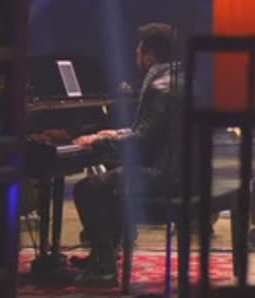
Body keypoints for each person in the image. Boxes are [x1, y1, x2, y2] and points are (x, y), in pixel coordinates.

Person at [69, 22, 182, 287]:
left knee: (87, 188)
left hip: (164, 176)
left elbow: (142, 141)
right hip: (179, 170)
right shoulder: (178, 79)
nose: (136, 57)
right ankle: (103, 254)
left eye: (138, 52)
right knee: (110, 177)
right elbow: (149, 131)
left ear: (149, 56)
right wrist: (113, 134)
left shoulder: (159, 86)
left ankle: (105, 268)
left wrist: (98, 142)